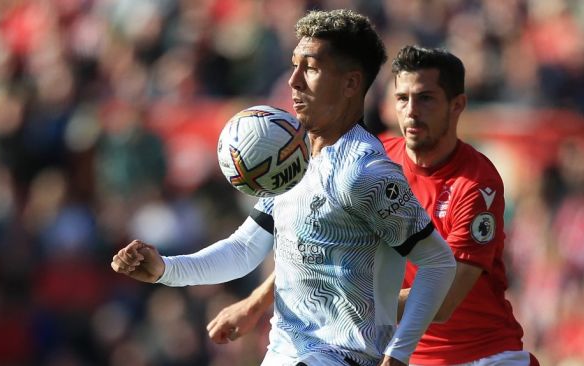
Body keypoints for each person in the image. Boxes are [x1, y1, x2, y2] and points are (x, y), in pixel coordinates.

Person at [111, 11, 456, 366]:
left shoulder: (365, 173)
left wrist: (398, 354)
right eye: (294, 66)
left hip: (339, 357)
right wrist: (165, 269)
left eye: (311, 68)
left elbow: (438, 262)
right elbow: (244, 249)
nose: (293, 81)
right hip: (285, 354)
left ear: (351, 84)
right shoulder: (290, 159)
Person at [208, 45, 539, 365]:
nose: (412, 110)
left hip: (483, 356)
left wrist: (338, 301)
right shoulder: (368, 164)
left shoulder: (475, 182)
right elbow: (314, 248)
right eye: (402, 98)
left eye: (425, 98)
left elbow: (443, 302)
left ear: (457, 105)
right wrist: (256, 303)